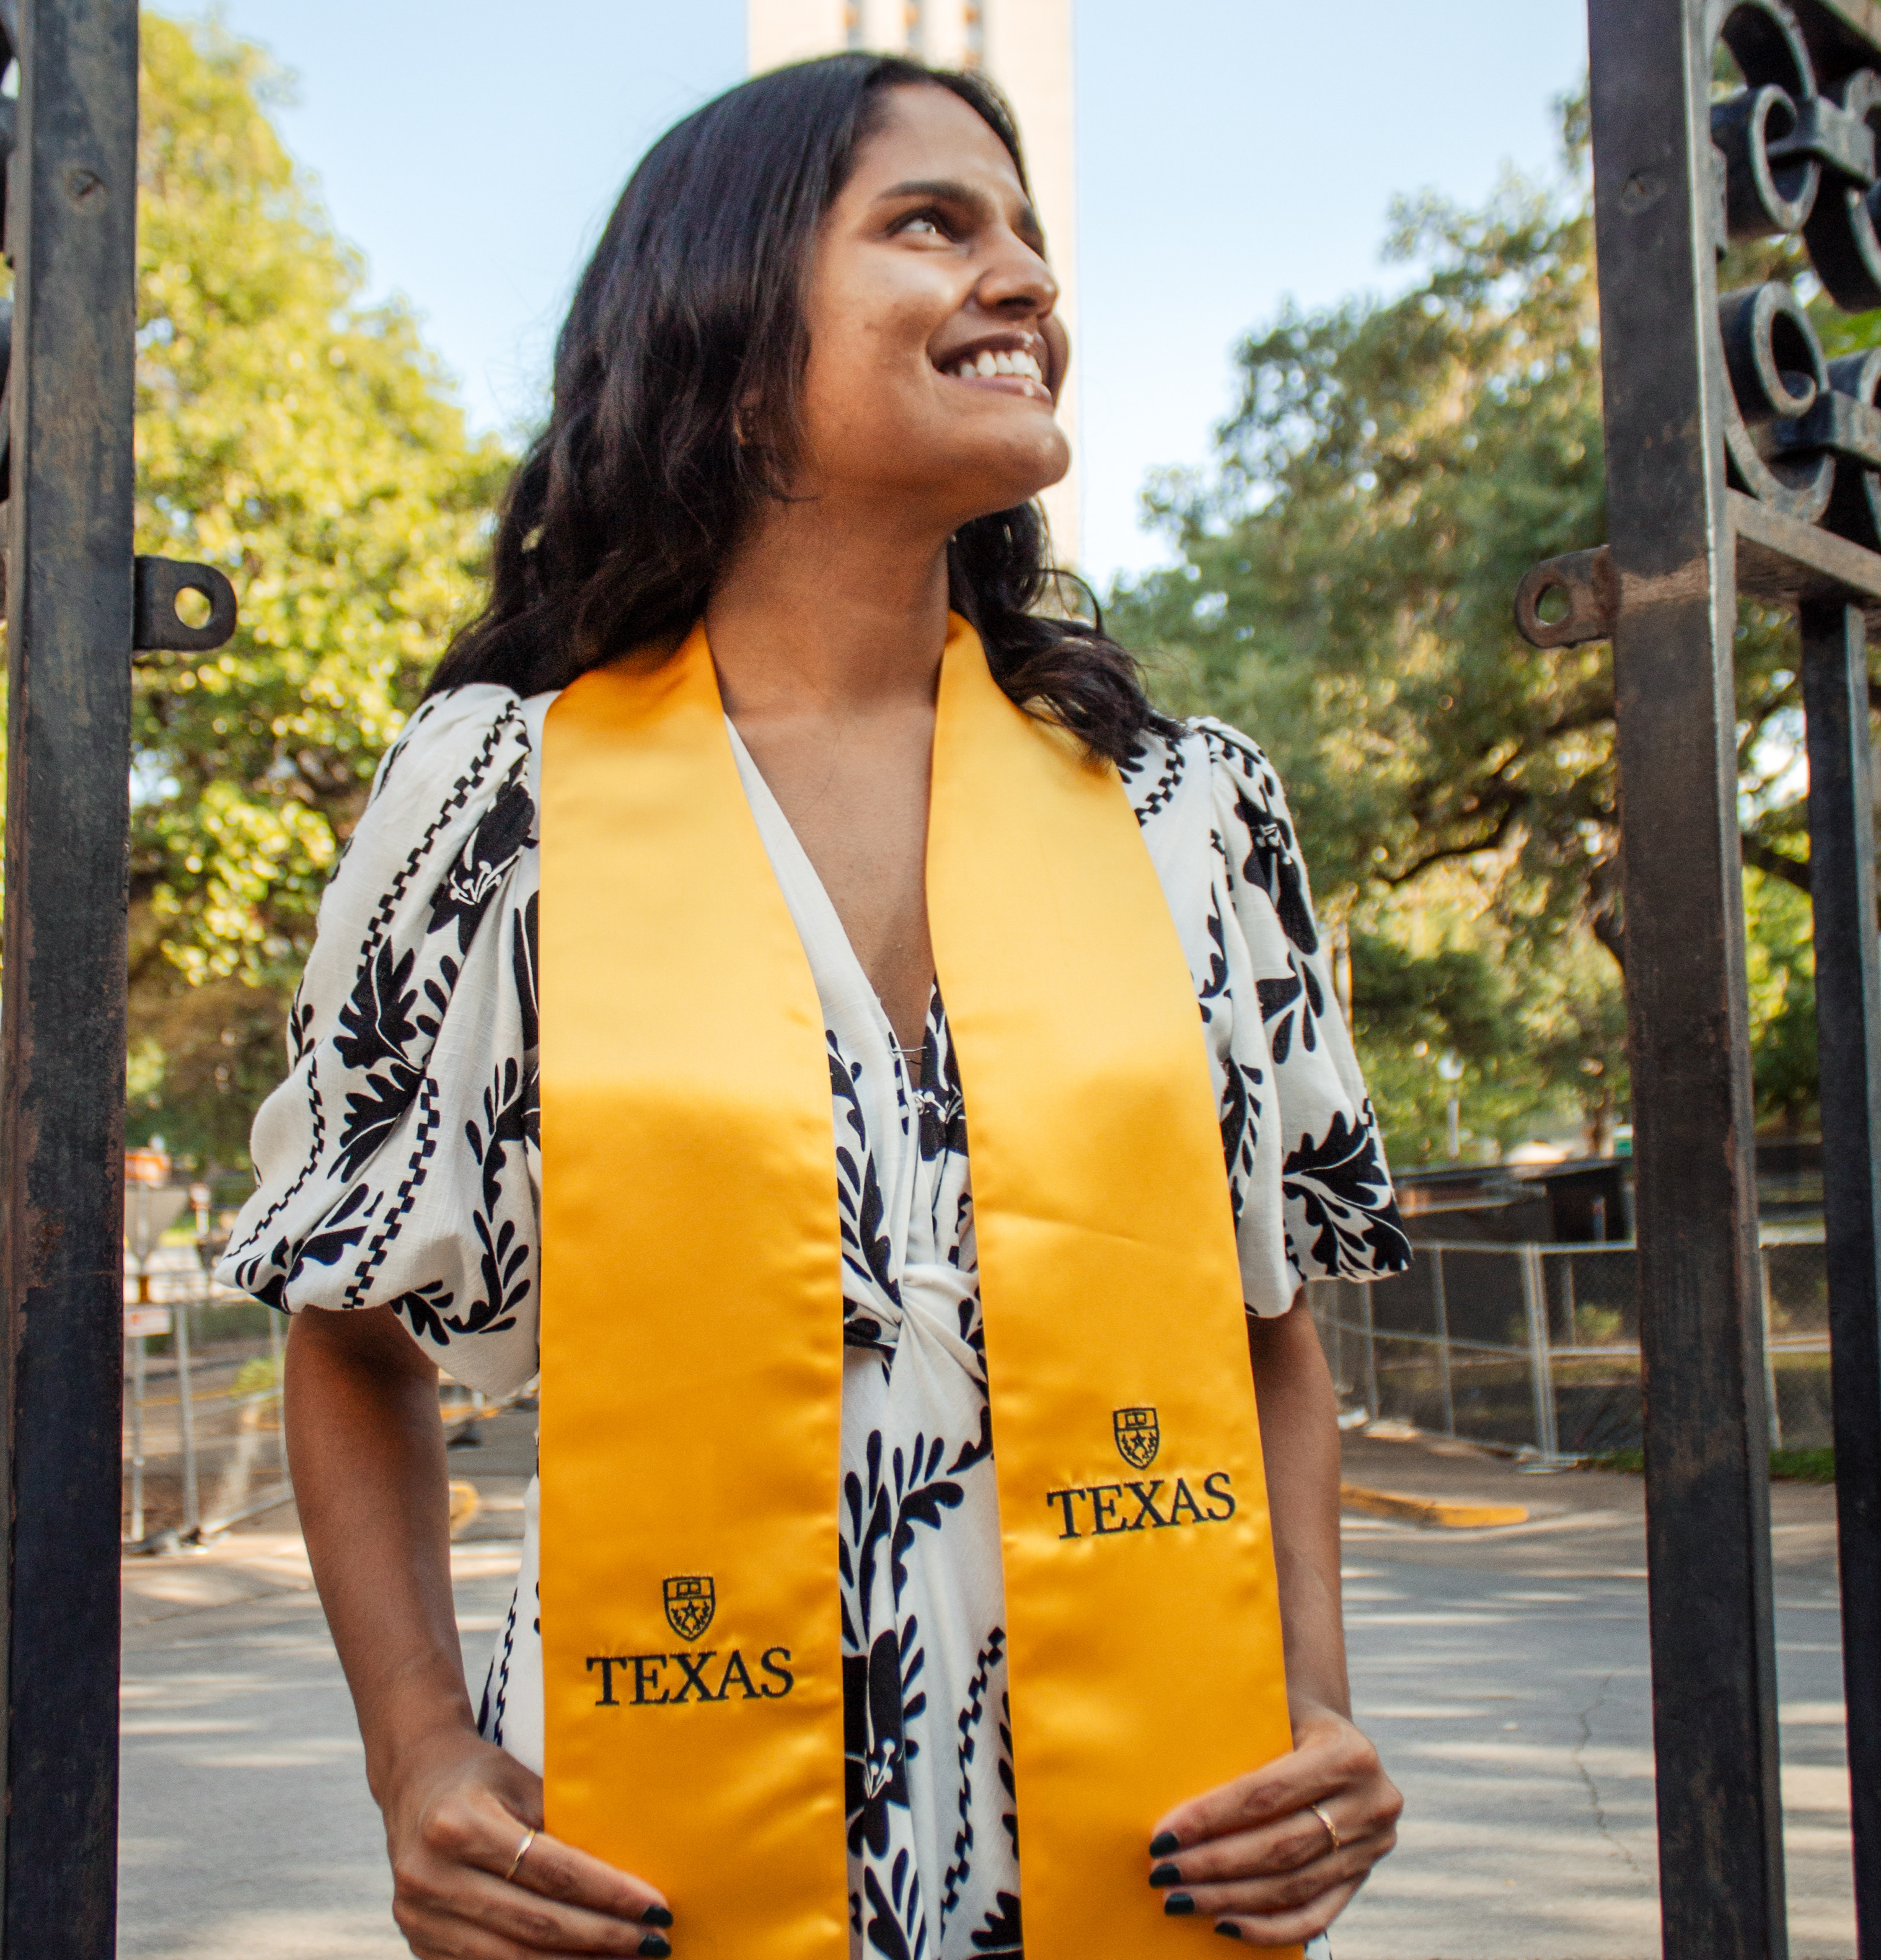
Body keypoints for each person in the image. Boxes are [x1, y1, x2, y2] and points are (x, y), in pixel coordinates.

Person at [221, 51, 1410, 1960]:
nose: (1023, 276)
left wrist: (1314, 1707)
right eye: (931, 224)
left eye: (1024, 231)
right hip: (653, 1836)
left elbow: (1260, 1313)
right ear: (727, 328)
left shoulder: (1182, 811)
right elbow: (349, 1324)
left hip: (1145, 1828)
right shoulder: (504, 800)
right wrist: (418, 1748)